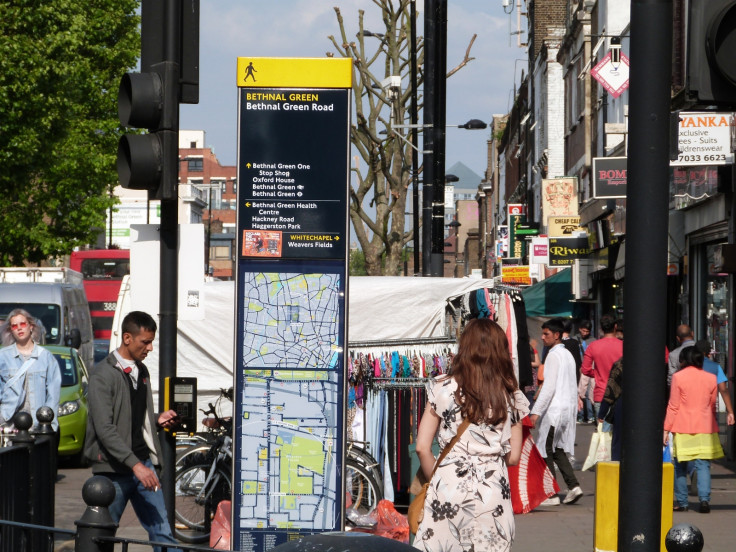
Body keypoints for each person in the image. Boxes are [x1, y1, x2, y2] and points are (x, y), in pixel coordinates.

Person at [413, 318, 528, 551]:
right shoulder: (510, 394)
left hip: (448, 485)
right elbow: (514, 457)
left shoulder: (441, 388)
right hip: (493, 489)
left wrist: (437, 478)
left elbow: (422, 447)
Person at [84, 311, 181, 552]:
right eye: (145, 342)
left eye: (151, 342)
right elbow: (105, 429)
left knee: (163, 533)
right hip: (114, 469)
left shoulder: (142, 372)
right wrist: (135, 465)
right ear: (127, 338)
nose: (149, 348)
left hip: (143, 464)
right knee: (102, 536)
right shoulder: (103, 375)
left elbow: (132, 417)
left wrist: (156, 420)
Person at [530, 318, 583, 506]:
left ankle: (550, 493)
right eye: (543, 334)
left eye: (546, 334)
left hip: (554, 410)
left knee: (545, 449)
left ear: (557, 335)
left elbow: (549, 386)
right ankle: (573, 486)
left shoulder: (554, 355)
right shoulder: (567, 354)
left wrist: (536, 411)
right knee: (557, 449)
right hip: (566, 409)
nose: (543, 338)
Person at [665, 346, 723, 513]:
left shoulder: (678, 377)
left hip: (683, 426)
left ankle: (682, 502)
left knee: (679, 466)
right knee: (703, 465)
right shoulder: (711, 378)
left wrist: (666, 429)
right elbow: (712, 404)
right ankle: (704, 500)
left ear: (684, 360)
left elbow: (673, 406)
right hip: (705, 426)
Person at [0, 308, 61, 431]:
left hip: (37, 424)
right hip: (8, 424)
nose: (19, 328)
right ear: (10, 330)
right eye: (14, 326)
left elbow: (53, 395)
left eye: (23, 324)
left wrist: (49, 425)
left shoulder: (46, 357)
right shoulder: (3, 357)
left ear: (31, 326)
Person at [581, 314, 622, 431]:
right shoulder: (624, 346)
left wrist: (597, 373)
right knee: (620, 436)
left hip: (601, 393)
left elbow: (585, 369)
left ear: (601, 329)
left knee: (603, 435)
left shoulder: (593, 346)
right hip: (620, 394)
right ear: (615, 326)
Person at [694, 339, 735, 427]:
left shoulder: (689, 365)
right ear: (708, 353)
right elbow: (723, 389)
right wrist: (730, 411)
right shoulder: (716, 367)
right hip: (708, 410)